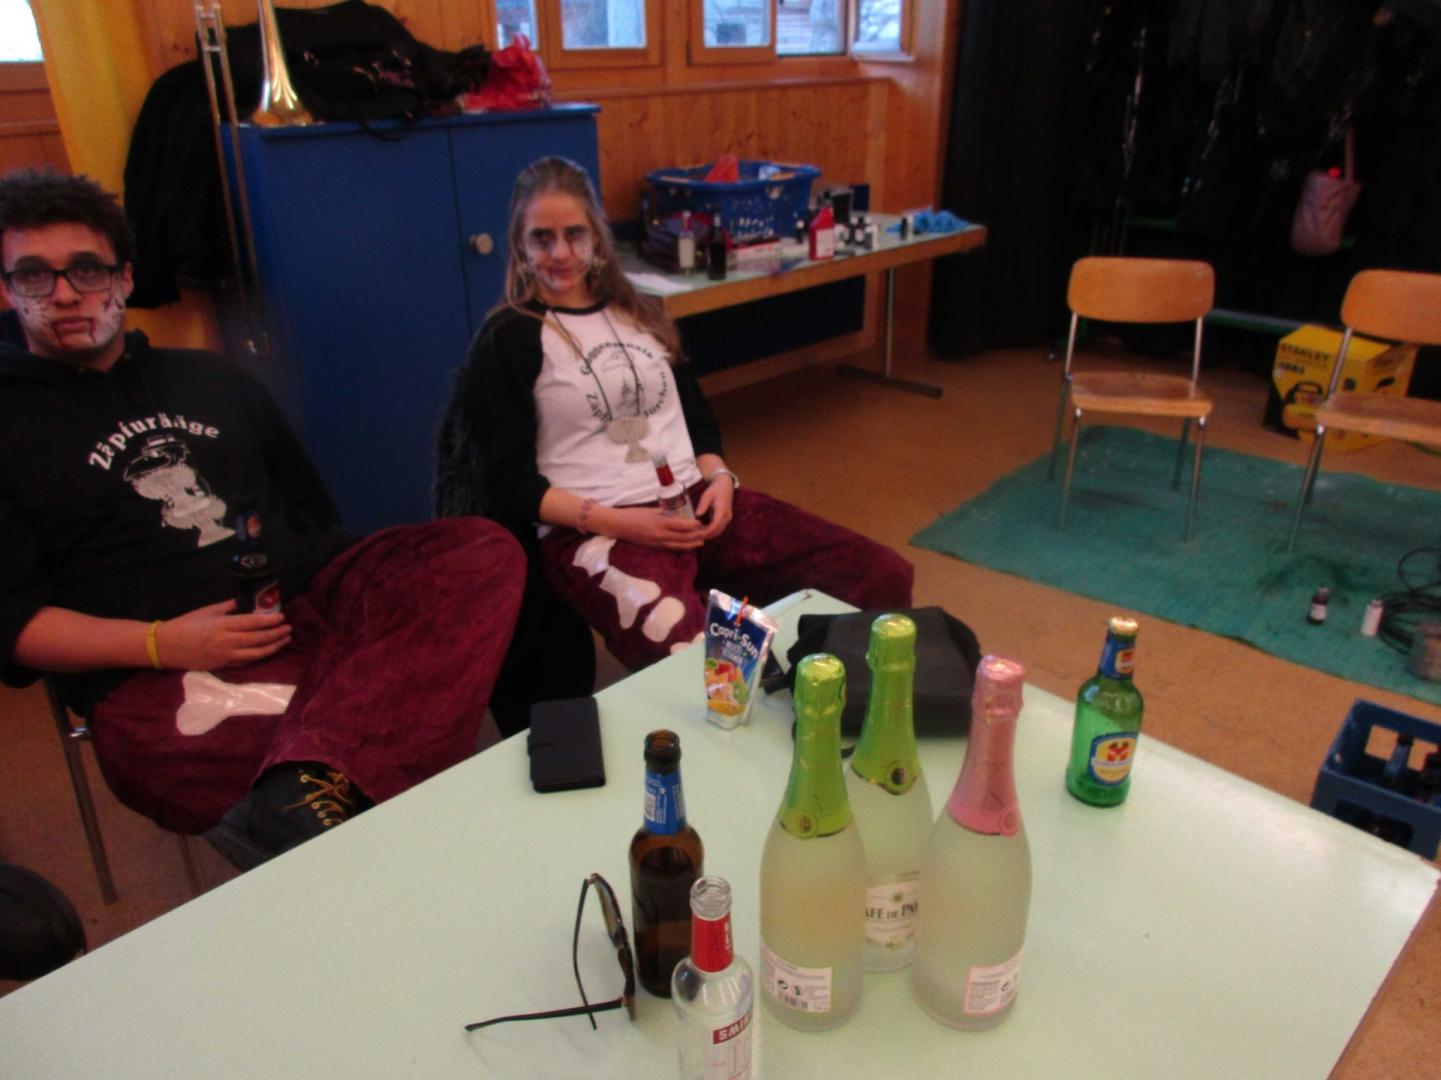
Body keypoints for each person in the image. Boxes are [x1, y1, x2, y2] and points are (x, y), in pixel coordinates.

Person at [0, 169, 525, 860]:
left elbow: (312, 516)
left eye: (86, 270)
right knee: (152, 749)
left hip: (303, 599)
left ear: (123, 278)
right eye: (34, 276)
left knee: (481, 549)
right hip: (158, 663)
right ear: (7, 290)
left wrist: (342, 607)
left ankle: (317, 785)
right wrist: (162, 644)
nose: (65, 293)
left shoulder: (210, 376)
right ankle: (347, 769)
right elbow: (15, 625)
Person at [444, 156, 913, 673]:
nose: (560, 253)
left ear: (597, 237)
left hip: (695, 505)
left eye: (575, 234)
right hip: (597, 531)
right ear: (520, 245)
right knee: (706, 666)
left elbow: (698, 422)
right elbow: (509, 485)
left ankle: (832, 698)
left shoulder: (641, 313)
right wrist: (623, 523)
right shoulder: (508, 338)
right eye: (542, 238)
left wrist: (721, 480)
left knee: (879, 576)